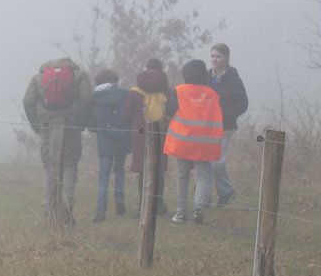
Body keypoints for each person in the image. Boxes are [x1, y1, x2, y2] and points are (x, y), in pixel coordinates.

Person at [23, 57, 92, 226]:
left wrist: (36, 125)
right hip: (71, 123)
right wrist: (81, 123)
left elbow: (28, 101)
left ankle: (49, 207)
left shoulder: (38, 77)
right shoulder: (80, 75)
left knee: (50, 166)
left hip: (46, 123)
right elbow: (86, 99)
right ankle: (66, 206)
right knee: (69, 165)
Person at [163, 59, 224, 224]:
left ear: (186, 74)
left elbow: (168, 110)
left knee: (182, 176)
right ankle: (198, 210)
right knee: (202, 176)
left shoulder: (179, 91)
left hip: (183, 140)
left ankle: (181, 213)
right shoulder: (212, 94)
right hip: (205, 142)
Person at [123, 58, 170, 217]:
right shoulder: (166, 90)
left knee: (144, 169)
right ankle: (159, 204)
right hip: (161, 132)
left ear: (146, 68)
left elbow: (127, 114)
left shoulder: (135, 91)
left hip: (141, 132)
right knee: (159, 169)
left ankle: (143, 203)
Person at [207, 43, 248, 207]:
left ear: (226, 58)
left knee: (217, 162)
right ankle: (205, 197)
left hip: (226, 127)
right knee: (206, 162)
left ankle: (226, 191)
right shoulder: (206, 77)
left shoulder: (235, 80)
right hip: (207, 126)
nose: (214, 60)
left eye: (218, 56)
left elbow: (243, 104)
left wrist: (226, 114)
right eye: (212, 56)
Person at [88, 69, 131, 222]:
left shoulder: (95, 98)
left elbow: (91, 125)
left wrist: (100, 131)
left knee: (104, 174)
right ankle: (119, 200)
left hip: (104, 141)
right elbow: (129, 116)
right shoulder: (125, 95)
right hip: (122, 139)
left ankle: (101, 210)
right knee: (119, 169)